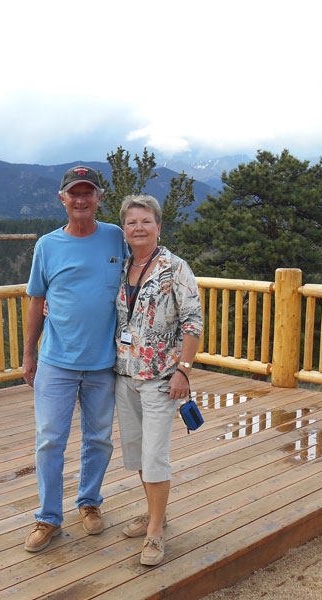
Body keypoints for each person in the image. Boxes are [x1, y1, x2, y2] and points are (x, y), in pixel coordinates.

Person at [21, 165, 128, 553]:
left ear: (99, 197)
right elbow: (37, 300)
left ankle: (89, 502)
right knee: (50, 440)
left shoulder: (117, 238)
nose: (81, 199)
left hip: (103, 363)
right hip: (56, 361)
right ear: (62, 199)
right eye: (74, 193)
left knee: (99, 440)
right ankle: (48, 517)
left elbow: (140, 274)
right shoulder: (47, 246)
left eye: (89, 192)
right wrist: (29, 354)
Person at [114, 194, 202, 566]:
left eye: (145, 221)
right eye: (132, 222)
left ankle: (154, 533)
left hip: (161, 378)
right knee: (136, 453)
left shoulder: (175, 268)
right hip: (123, 374)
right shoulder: (120, 267)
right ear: (124, 229)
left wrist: (184, 369)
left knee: (154, 456)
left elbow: (193, 321)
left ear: (158, 226)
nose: (138, 228)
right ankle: (156, 514)